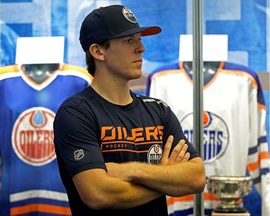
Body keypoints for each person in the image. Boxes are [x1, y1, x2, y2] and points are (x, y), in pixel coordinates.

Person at [53, 4, 206, 216]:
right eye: (128, 41)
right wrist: (165, 177)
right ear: (98, 51)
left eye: (140, 39)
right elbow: (98, 194)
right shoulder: (76, 113)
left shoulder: (158, 110)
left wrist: (131, 171)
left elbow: (196, 178)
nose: (140, 48)